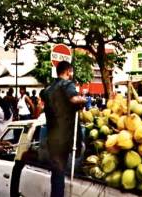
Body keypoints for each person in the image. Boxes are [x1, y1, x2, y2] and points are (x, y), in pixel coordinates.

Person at [43, 61, 86, 197]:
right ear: (68, 71)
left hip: (53, 136)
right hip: (66, 136)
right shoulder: (67, 84)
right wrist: (83, 99)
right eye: (71, 72)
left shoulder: (49, 89)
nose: (72, 74)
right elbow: (74, 100)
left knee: (57, 173)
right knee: (69, 165)